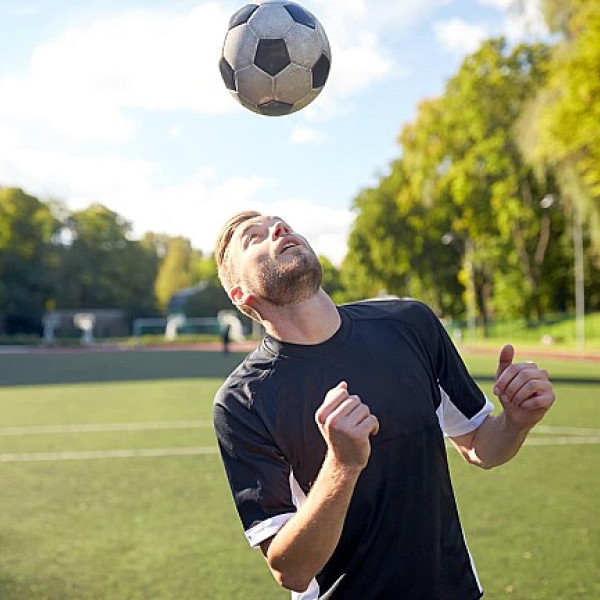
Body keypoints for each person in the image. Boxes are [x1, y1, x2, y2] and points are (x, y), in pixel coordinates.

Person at [212, 211, 555, 600]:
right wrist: (342, 466)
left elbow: (480, 444)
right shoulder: (242, 401)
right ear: (241, 295)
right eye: (253, 238)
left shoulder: (412, 324)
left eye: (283, 224)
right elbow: (291, 570)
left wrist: (515, 421)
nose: (278, 229)